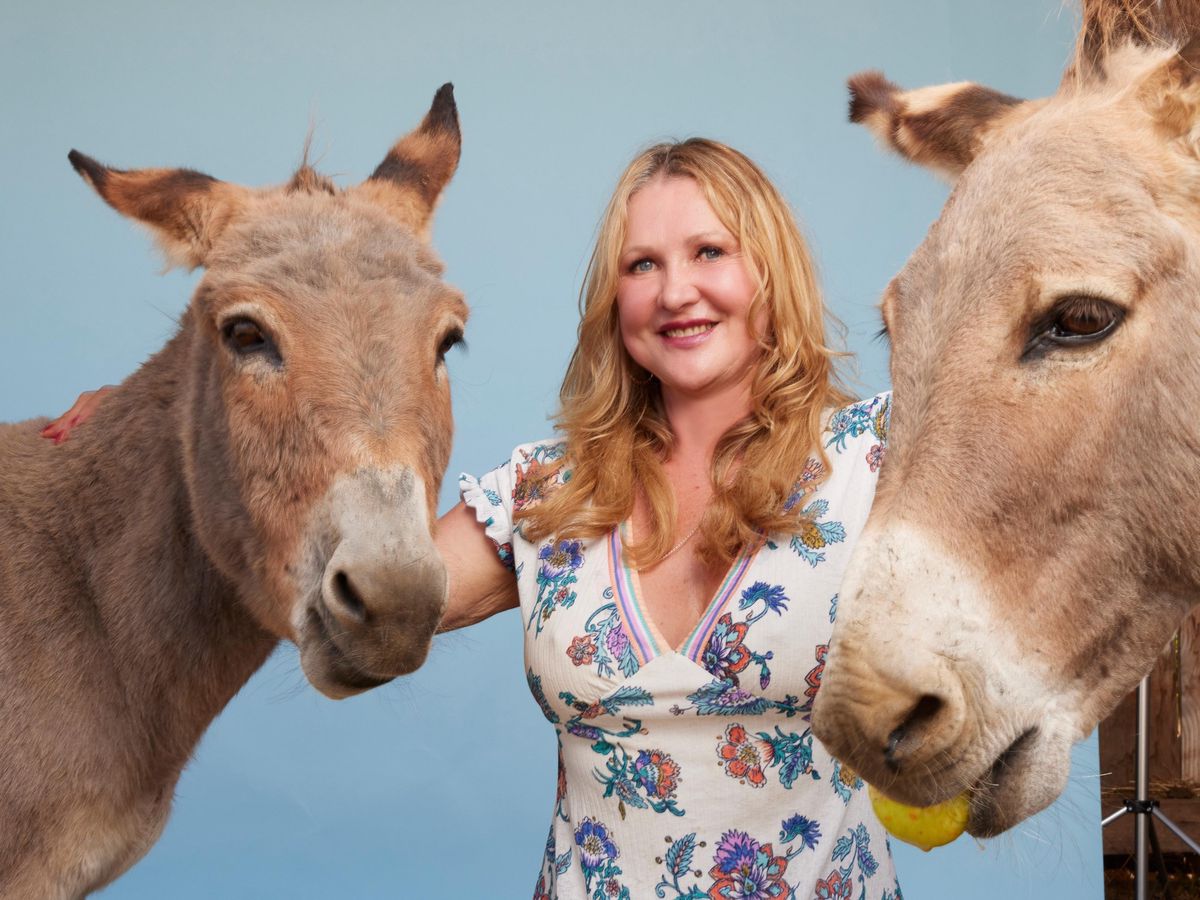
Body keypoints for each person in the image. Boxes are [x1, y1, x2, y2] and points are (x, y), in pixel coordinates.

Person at [47, 138, 899, 899]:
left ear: (770, 271)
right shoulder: (547, 495)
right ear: (613, 295)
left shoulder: (879, 460)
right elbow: (362, 586)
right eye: (641, 265)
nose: (676, 292)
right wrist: (155, 422)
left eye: (709, 251)